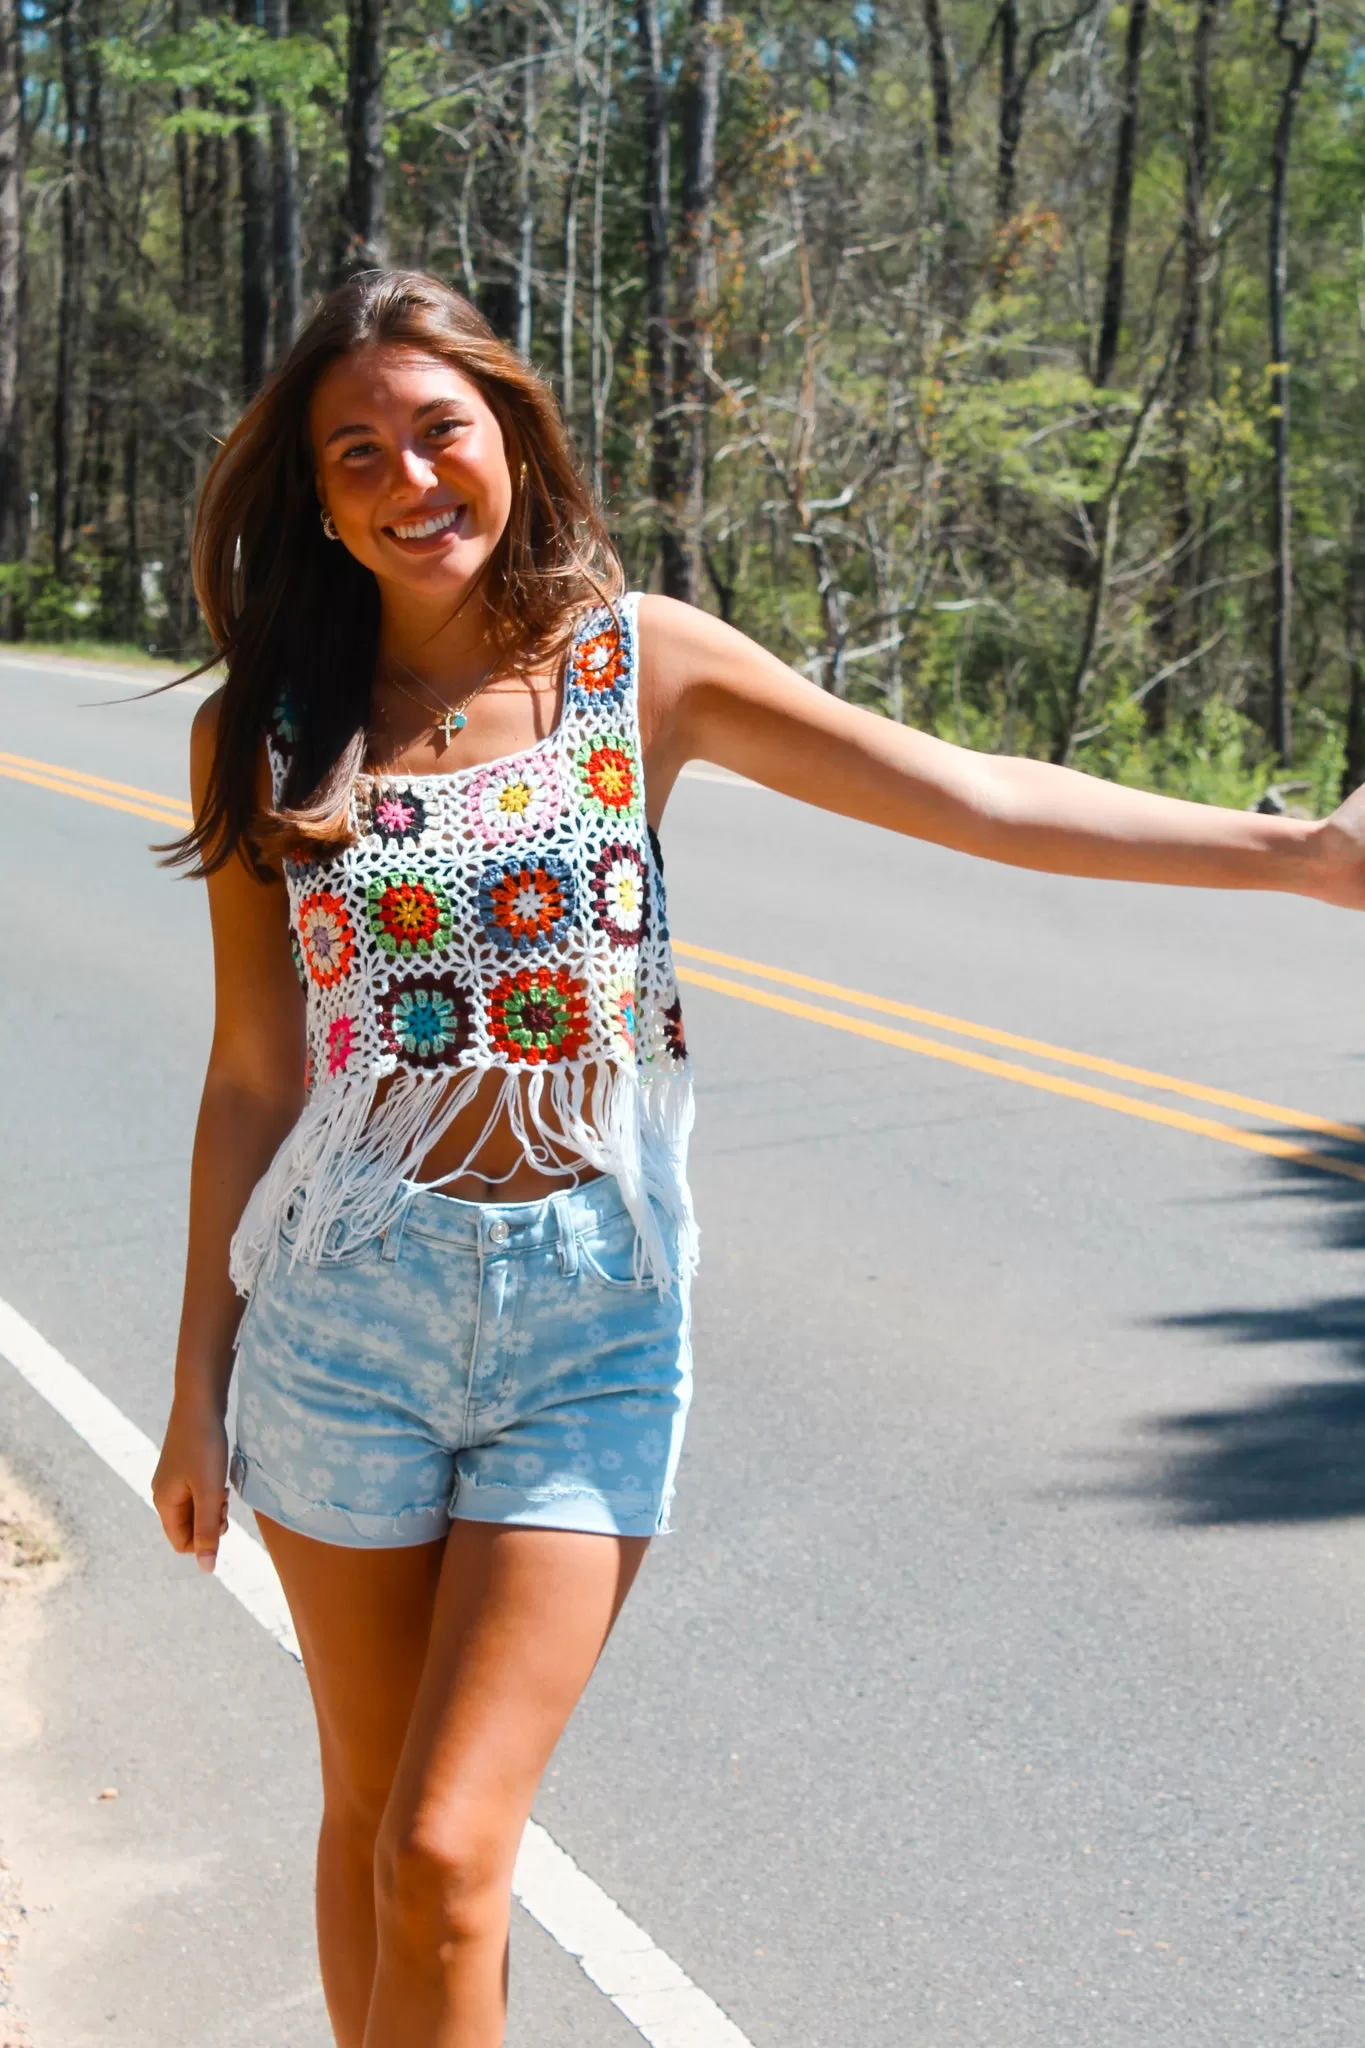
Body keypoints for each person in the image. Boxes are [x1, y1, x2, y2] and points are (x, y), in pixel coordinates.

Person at [150, 268, 1365, 2048]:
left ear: (512, 436)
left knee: (449, 1840)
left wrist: (1305, 859)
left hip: (587, 1330)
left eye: (440, 432)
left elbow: (966, 792)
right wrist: (196, 1382)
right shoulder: (266, 727)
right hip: (345, 1325)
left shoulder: (637, 662)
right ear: (315, 495)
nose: (411, 479)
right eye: (358, 453)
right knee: (373, 1823)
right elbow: (255, 1076)